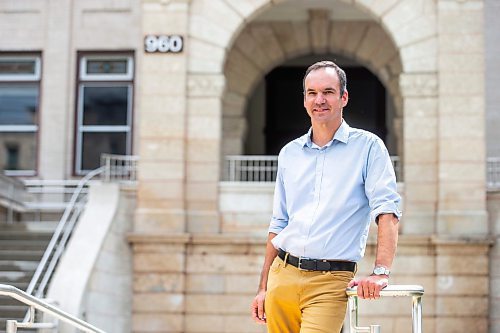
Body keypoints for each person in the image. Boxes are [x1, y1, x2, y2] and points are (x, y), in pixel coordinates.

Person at [250, 60, 402, 333]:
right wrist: (263, 288)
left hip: (330, 280)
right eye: (312, 93)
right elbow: (278, 223)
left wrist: (381, 272)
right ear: (305, 100)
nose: (319, 100)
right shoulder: (289, 153)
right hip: (282, 276)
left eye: (328, 92)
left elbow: (387, 211)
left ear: (343, 97)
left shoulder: (368, 147)